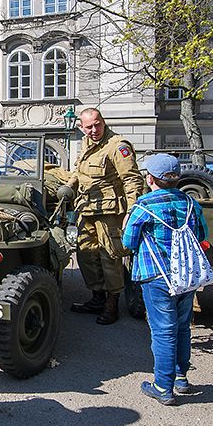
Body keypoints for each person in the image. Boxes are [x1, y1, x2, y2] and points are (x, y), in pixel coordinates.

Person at [122, 153, 208, 405]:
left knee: (163, 331)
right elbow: (202, 234)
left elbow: (129, 243)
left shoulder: (144, 205)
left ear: (150, 178)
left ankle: (162, 386)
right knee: (182, 327)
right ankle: (181, 377)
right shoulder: (191, 203)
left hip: (156, 275)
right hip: (186, 275)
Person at [66, 107, 145, 325]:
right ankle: (97, 298)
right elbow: (79, 172)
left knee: (110, 257)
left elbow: (132, 180)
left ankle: (112, 303)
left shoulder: (117, 146)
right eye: (88, 126)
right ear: (81, 127)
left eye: (97, 124)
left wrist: (131, 211)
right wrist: (68, 187)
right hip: (87, 208)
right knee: (86, 255)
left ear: (103, 121)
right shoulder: (86, 144)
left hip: (110, 212)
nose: (94, 130)